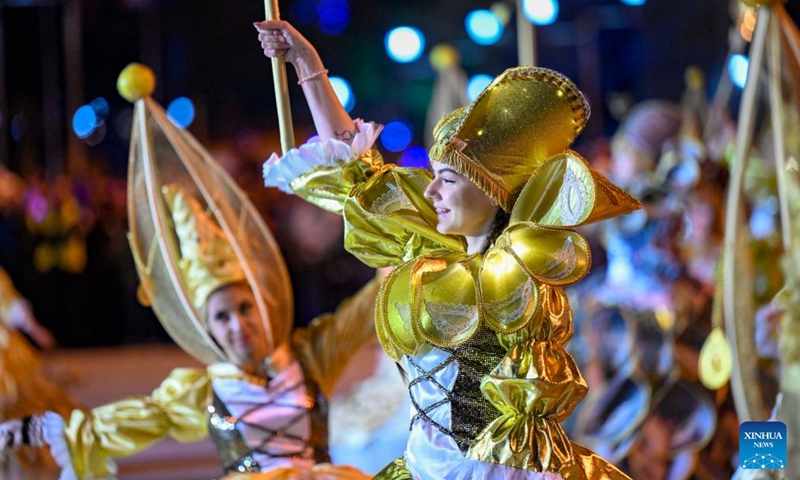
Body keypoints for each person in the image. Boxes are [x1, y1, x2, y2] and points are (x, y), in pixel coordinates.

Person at [255, 20, 642, 479]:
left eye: (450, 179)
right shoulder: (422, 244)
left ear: (491, 192)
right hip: (422, 463)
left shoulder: (522, 275)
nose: (432, 190)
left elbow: (529, 416)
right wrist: (308, 64)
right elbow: (358, 173)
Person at [0, 67, 379, 480]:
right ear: (207, 329)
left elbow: (366, 307)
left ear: (264, 306)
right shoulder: (204, 392)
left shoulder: (310, 357)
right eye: (221, 316)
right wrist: (29, 428)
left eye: (244, 307)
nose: (238, 324)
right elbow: (124, 423)